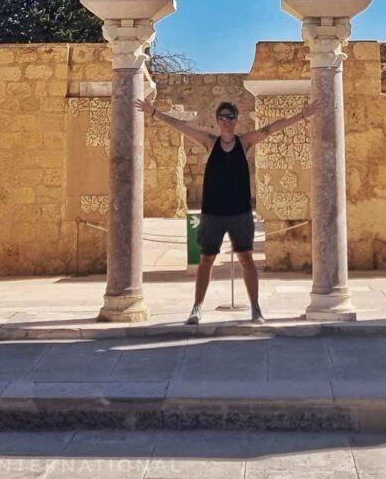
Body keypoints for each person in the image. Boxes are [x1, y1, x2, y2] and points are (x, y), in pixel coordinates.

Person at [135, 96, 319, 325]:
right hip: (213, 213)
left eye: (231, 117)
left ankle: (255, 307)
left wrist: (302, 115)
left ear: (236, 121)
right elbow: (181, 127)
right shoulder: (210, 142)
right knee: (206, 260)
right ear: (218, 121)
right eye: (223, 118)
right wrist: (154, 113)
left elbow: (271, 128)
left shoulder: (244, 143)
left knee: (246, 259)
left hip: (239, 213)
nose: (227, 121)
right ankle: (197, 308)